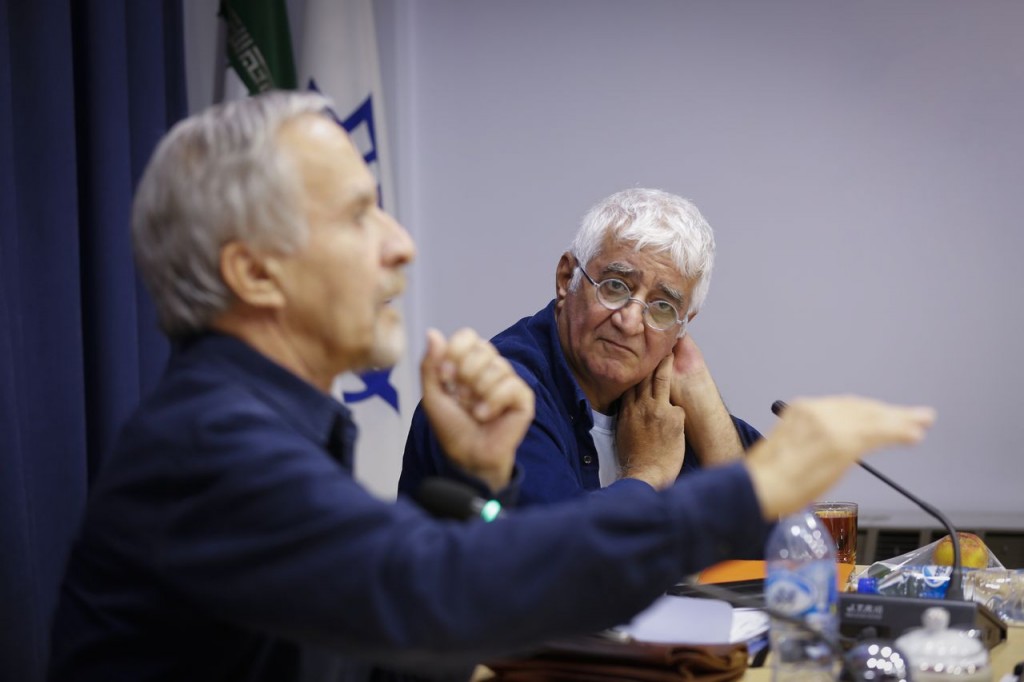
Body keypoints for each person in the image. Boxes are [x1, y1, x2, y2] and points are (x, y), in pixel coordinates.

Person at [48, 91, 935, 682]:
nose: (401, 243)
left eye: (663, 307)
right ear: (254, 272)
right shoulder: (214, 449)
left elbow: (412, 639)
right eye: (358, 216)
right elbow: (459, 593)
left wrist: (476, 483)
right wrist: (751, 486)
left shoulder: (266, 428)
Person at [400, 188, 760, 506]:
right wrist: (648, 473)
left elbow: (776, 537)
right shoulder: (498, 393)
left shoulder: (664, 402)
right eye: (615, 286)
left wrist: (705, 403)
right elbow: (555, 549)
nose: (629, 322)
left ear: (682, 327)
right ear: (566, 278)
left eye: (662, 308)